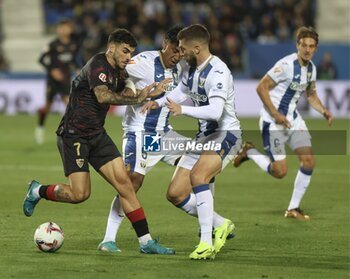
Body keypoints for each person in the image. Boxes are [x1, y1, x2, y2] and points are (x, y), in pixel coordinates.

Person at [23, 28, 174, 255]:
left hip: (97, 135)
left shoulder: (121, 72)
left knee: (126, 184)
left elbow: (128, 91)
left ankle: (146, 242)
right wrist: (138, 96)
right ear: (111, 47)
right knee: (80, 194)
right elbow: (103, 96)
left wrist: (144, 93)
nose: (128, 57)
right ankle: (37, 191)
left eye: (131, 52)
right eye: (124, 51)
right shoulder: (98, 64)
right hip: (73, 134)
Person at [98, 26, 233, 253]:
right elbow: (122, 72)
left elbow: (182, 93)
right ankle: (108, 239)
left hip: (164, 135)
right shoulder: (143, 62)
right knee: (131, 184)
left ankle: (215, 224)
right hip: (141, 134)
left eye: (181, 52)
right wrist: (131, 88)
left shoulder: (183, 67)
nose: (177, 56)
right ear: (164, 45)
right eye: (174, 50)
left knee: (202, 163)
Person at [142, 24, 242, 260]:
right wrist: (158, 103)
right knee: (175, 194)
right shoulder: (190, 69)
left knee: (198, 177)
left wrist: (182, 110)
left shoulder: (218, 71)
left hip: (226, 134)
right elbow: (178, 93)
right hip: (204, 137)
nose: (180, 53)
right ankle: (221, 224)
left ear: (197, 47)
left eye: (184, 48)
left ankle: (206, 242)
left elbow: (217, 111)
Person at [233, 26, 333, 221]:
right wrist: (275, 113)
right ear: (297, 45)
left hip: (293, 121)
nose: (307, 49)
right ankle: (250, 152)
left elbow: (311, 94)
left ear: (316, 48)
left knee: (309, 161)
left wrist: (323, 110)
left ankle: (293, 209)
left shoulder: (311, 69)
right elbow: (261, 87)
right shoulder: (286, 65)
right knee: (280, 172)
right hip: (273, 122)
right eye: (303, 45)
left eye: (311, 46)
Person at [35, 20, 81, 144]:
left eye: (66, 28)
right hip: (53, 81)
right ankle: (40, 128)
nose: (64, 30)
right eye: (62, 28)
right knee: (47, 107)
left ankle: (71, 132)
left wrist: (78, 69)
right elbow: (41, 60)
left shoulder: (73, 45)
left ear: (70, 30)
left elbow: (74, 60)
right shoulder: (53, 44)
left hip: (65, 80)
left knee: (70, 105)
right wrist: (52, 70)